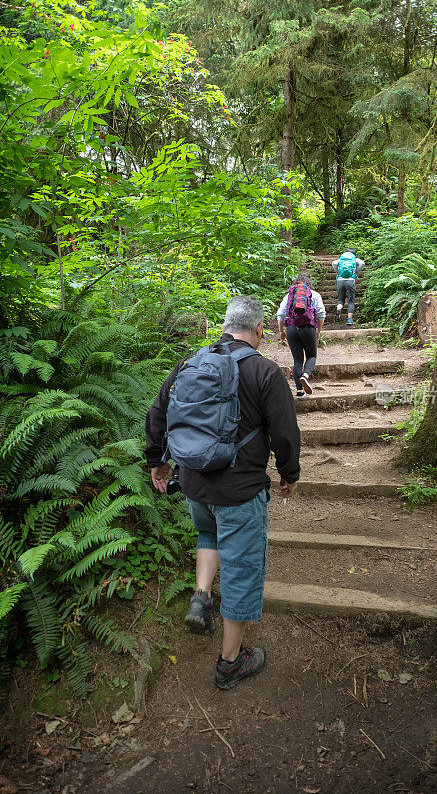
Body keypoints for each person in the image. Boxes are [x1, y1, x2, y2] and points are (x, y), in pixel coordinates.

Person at [145, 296, 300, 690]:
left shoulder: (190, 362)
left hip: (193, 482)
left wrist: (156, 461)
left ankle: (201, 595)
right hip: (240, 490)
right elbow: (284, 431)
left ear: (225, 324)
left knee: (208, 534)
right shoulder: (264, 371)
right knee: (243, 567)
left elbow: (158, 414)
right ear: (260, 330)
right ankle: (231, 661)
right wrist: (289, 473)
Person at [276, 273, 326, 398]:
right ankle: (305, 375)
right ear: (310, 283)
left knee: (297, 360)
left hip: (292, 328)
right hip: (308, 329)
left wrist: (281, 331)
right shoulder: (315, 295)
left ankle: (299, 391)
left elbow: (280, 314)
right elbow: (321, 314)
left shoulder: (289, 295)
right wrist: (318, 331)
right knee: (312, 356)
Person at [332, 249, 365, 326]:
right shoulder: (354, 259)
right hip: (350, 280)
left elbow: (333, 263)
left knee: (341, 299)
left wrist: (338, 272)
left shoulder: (342, 258)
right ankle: (349, 319)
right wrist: (357, 271)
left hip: (340, 280)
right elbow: (362, 263)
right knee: (351, 300)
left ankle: (339, 309)